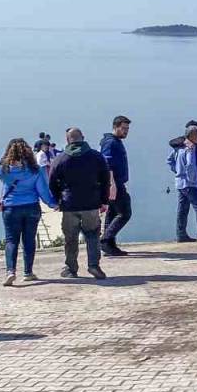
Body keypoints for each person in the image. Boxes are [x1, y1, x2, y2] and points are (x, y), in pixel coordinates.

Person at [0, 138, 57, 286]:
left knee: (11, 240)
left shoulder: (5, 170)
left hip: (11, 208)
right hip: (32, 207)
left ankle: (11, 271)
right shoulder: (35, 171)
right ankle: (28, 272)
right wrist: (53, 204)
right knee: (29, 240)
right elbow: (43, 192)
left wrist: (7, 163)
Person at [48, 128, 110, 280]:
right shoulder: (96, 156)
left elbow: (52, 182)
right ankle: (94, 265)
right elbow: (105, 180)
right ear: (83, 138)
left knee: (71, 237)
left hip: (69, 204)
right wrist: (103, 201)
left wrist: (58, 199)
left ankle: (71, 268)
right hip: (91, 203)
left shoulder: (60, 159)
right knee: (93, 234)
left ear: (68, 140)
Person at [99, 115, 132, 257]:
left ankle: (109, 245)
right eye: (123, 128)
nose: (126, 131)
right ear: (115, 127)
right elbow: (106, 164)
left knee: (112, 213)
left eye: (127, 129)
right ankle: (105, 240)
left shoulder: (116, 141)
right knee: (125, 213)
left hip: (116, 183)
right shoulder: (110, 143)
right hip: (114, 183)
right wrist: (112, 184)